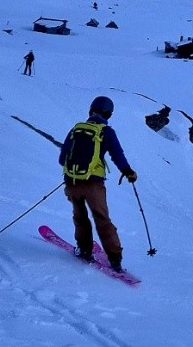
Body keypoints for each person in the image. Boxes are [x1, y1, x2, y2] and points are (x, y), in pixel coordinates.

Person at [57, 96, 137, 272]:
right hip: (94, 184)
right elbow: (117, 155)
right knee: (102, 218)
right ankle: (115, 259)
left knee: (80, 216)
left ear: (91, 110)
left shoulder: (76, 129)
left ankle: (84, 250)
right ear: (108, 114)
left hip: (72, 182)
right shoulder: (106, 131)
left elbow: (62, 158)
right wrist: (128, 172)